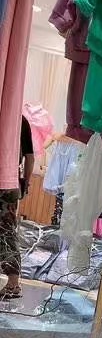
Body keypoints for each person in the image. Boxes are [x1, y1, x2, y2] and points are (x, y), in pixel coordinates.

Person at [0, 115, 33, 302]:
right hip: (11, 181)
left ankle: (13, 284)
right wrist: (25, 183)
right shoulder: (20, 119)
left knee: (6, 230)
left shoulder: (19, 119)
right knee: (7, 230)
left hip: (7, 182)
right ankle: (13, 283)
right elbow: (30, 157)